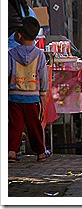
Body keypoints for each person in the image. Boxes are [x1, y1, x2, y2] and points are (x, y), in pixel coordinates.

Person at [8, 16, 49, 162]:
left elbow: (7, 73)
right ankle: (40, 152)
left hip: (14, 96)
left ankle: (11, 151)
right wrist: (43, 93)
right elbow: (43, 75)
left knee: (15, 125)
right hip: (33, 97)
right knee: (35, 126)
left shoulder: (11, 54)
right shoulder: (39, 55)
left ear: (18, 35)